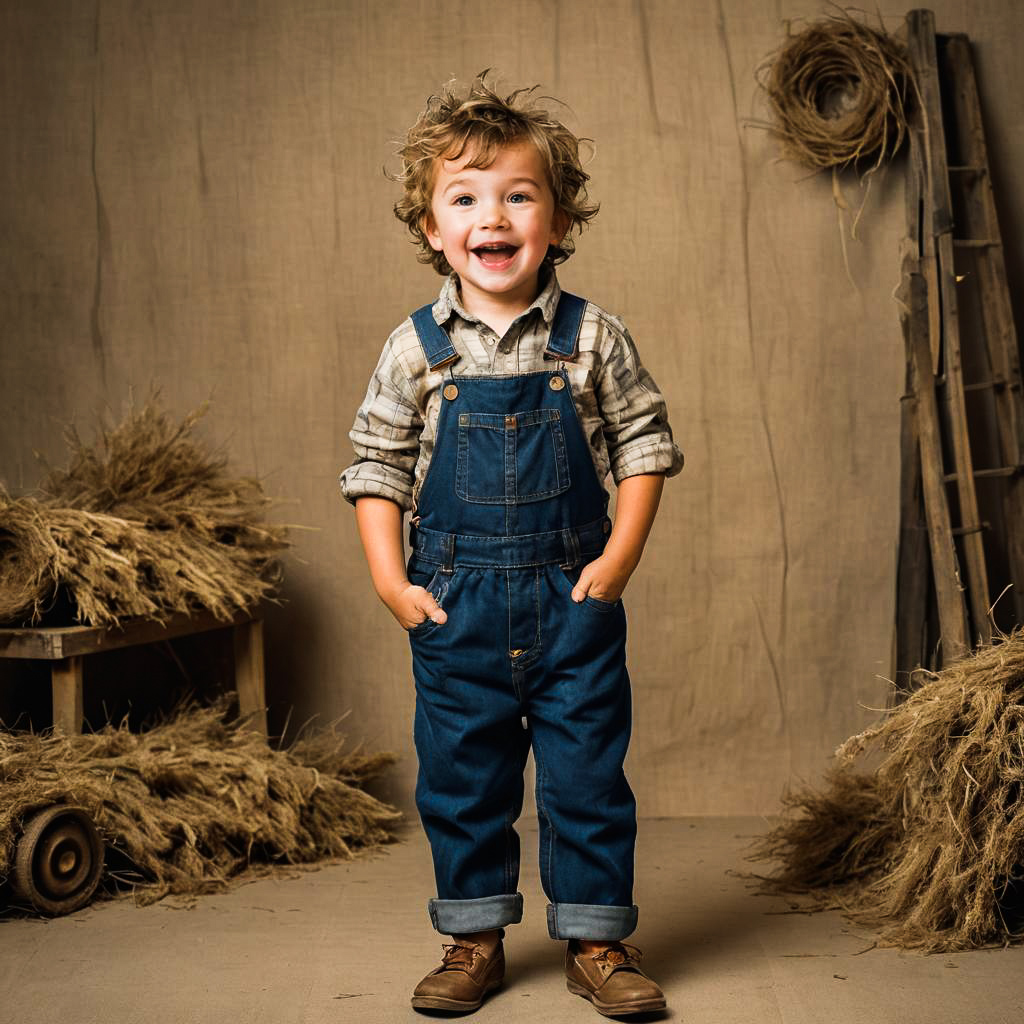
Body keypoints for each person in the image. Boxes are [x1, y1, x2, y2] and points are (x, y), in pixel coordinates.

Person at [340, 72, 683, 1017]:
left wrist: (617, 561)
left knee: (585, 775)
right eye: (465, 198)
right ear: (432, 231)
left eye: (518, 195)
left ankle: (599, 942)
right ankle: (472, 938)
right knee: (464, 777)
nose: (492, 216)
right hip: (456, 605)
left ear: (559, 220)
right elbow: (375, 467)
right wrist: (390, 583)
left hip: (573, 600)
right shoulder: (417, 351)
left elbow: (645, 451)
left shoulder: (592, 340)